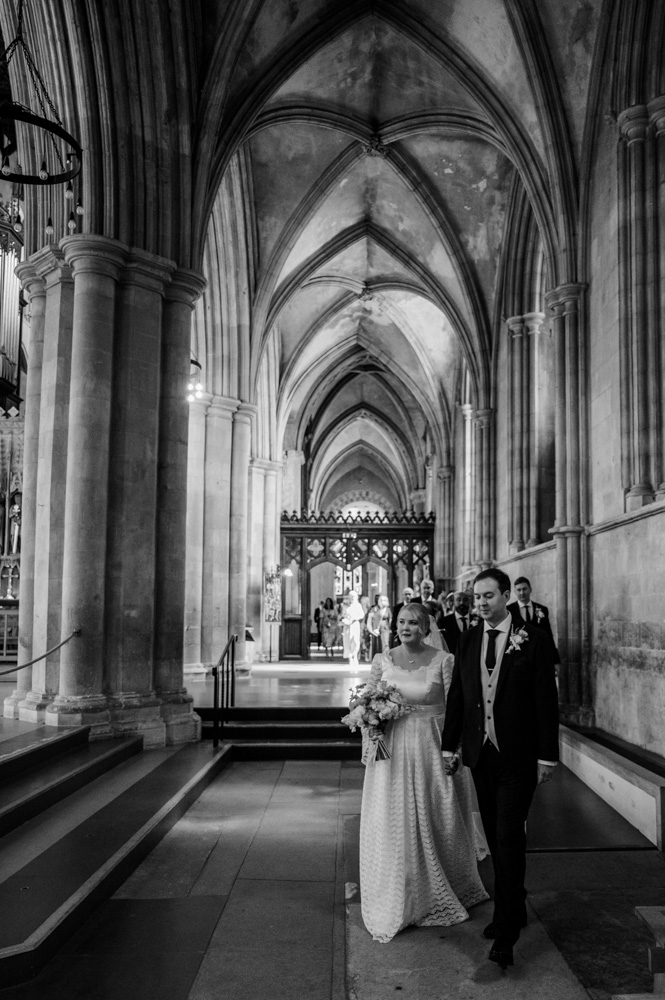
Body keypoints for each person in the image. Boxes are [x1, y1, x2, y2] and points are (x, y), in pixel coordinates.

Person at [441, 568, 559, 969]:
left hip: (520, 755)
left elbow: (546, 702)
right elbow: (459, 694)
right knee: (493, 835)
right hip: (481, 753)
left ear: (506, 595)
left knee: (509, 836)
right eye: (477, 597)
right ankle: (516, 905)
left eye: (488, 596)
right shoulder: (469, 638)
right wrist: (448, 745)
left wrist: (548, 756)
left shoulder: (534, 640)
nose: (480, 603)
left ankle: (506, 931)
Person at [359, 603, 488, 943]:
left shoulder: (444, 661)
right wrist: (370, 724)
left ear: (426, 626)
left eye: (413, 622)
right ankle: (399, 881)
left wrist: (455, 750)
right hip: (395, 749)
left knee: (436, 814)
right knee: (396, 814)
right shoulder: (382, 660)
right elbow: (368, 701)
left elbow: (456, 707)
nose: (405, 627)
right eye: (401, 621)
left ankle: (442, 881)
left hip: (432, 745)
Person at [507, 576, 560, 663]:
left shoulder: (542, 609)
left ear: (530, 589)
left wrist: (555, 660)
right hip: (518, 659)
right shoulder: (509, 610)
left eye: (524, 589)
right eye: (519, 590)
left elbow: (548, 635)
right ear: (515, 592)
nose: (522, 592)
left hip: (539, 656)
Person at [343, 590, 366, 669]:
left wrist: (355, 618)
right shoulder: (345, 606)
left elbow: (362, 615)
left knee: (356, 641)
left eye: (354, 597)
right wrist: (345, 620)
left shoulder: (358, 605)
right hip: (347, 626)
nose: (352, 598)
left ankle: (355, 655)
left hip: (355, 625)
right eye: (351, 597)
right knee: (348, 641)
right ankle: (350, 658)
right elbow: (342, 616)